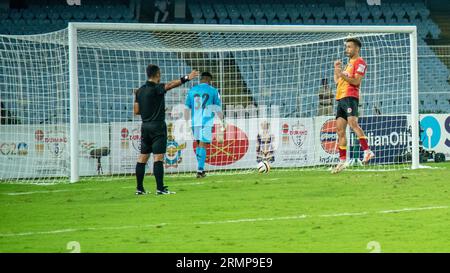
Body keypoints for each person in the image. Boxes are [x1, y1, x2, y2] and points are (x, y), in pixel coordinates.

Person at [134, 64, 199, 194]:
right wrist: (187, 77)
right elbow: (170, 85)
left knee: (142, 158)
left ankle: (140, 189)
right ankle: (160, 188)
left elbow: (136, 111)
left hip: (145, 127)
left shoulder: (139, 91)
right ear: (157, 74)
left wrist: (151, 111)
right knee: (158, 158)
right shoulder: (157, 88)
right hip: (157, 127)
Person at [332, 37, 375, 174]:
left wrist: (342, 75)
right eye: (346, 47)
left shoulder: (360, 62)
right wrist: (337, 69)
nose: (347, 49)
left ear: (357, 48)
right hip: (341, 98)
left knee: (353, 124)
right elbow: (337, 81)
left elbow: (356, 81)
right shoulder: (348, 64)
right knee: (340, 131)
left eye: (349, 47)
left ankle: (367, 151)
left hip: (351, 96)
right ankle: (342, 161)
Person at [184, 72, 224, 178]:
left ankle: (201, 170)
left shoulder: (192, 90)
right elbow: (217, 107)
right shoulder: (213, 90)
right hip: (206, 121)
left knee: (199, 145)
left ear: (201, 79)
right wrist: (222, 120)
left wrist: (186, 121)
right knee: (202, 145)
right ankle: (200, 170)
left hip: (194, 121)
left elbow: (187, 106)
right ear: (209, 80)